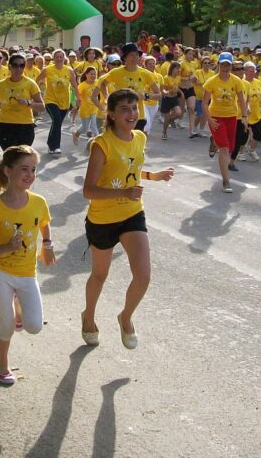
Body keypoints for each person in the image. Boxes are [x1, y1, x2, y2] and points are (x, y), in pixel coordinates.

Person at [80, 89, 174, 349]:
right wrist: (123, 192)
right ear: (111, 114)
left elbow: (128, 169)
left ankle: (126, 317)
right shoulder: (102, 144)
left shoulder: (140, 137)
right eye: (125, 109)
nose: (132, 114)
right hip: (102, 219)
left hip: (132, 213)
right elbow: (88, 190)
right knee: (99, 275)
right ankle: (88, 316)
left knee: (143, 276)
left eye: (134, 107)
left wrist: (152, 176)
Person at [0, 145, 55, 385]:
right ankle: (2, 364)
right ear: (8, 171)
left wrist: (48, 244)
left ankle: (19, 303)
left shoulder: (39, 202)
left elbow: (44, 223)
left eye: (33, 169)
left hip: (27, 273)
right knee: (7, 326)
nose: (30, 175)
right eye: (24, 169)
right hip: (1, 272)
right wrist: (5, 248)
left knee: (33, 327)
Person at [202, 52, 248, 193]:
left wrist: (245, 117)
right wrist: (209, 119)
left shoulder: (236, 81)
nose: (226, 67)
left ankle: (214, 141)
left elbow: (241, 100)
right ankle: (226, 181)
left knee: (231, 147)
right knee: (225, 148)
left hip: (231, 116)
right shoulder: (212, 81)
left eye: (228, 65)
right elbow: (204, 102)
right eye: (223, 64)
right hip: (216, 117)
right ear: (219, 65)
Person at [97, 43, 160, 133]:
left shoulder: (146, 74)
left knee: (136, 144)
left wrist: (144, 96)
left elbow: (158, 95)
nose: (134, 58)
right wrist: (107, 98)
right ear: (125, 58)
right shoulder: (116, 72)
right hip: (120, 115)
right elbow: (103, 84)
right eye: (131, 55)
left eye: (136, 55)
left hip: (138, 116)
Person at [0, 52, 44, 150]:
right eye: (15, 65)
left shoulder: (30, 84)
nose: (18, 69)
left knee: (22, 158)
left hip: (25, 126)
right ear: (9, 67)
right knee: (11, 157)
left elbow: (42, 107)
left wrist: (28, 103)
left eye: (22, 66)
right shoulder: (0, 84)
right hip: (5, 125)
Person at [36, 49, 78, 155]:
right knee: (57, 120)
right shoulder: (47, 70)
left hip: (64, 102)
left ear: (64, 58)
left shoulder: (69, 71)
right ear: (53, 59)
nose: (59, 59)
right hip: (50, 100)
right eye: (57, 57)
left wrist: (78, 99)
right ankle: (55, 146)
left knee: (57, 123)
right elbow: (36, 80)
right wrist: (36, 93)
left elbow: (74, 85)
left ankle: (50, 144)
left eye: (61, 57)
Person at [72, 66, 101, 145]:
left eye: (95, 74)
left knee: (94, 126)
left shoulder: (97, 83)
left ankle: (98, 143)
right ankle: (76, 134)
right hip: (84, 110)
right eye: (91, 74)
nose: (93, 76)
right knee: (85, 128)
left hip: (94, 109)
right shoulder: (82, 85)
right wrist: (76, 105)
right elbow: (77, 96)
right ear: (86, 75)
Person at [158, 61, 184, 140]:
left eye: (179, 69)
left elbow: (177, 87)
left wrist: (181, 92)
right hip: (167, 99)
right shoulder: (166, 78)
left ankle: (171, 120)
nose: (179, 70)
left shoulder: (179, 78)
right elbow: (164, 90)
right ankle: (164, 132)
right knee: (166, 118)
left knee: (179, 113)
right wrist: (169, 91)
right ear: (172, 69)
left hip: (174, 98)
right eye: (177, 68)